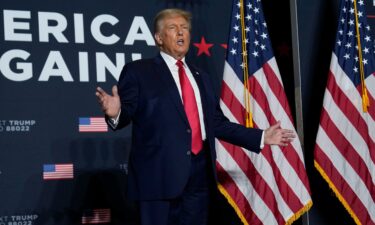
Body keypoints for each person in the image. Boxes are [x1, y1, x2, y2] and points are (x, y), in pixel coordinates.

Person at [96, 8, 295, 225]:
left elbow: (216, 123)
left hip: (199, 177)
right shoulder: (138, 71)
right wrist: (116, 113)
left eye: (185, 28)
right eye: (173, 28)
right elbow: (127, 113)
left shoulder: (201, 76)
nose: (181, 33)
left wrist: (261, 136)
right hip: (158, 178)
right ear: (159, 38)